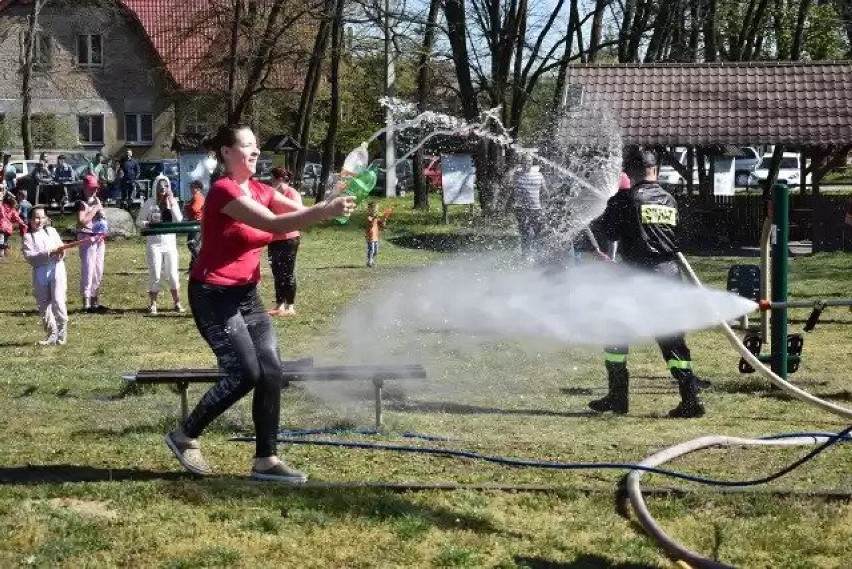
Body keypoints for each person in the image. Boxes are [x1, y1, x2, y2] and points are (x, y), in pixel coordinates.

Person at [163, 124, 354, 483]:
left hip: (247, 293)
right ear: (226, 153)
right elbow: (274, 222)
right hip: (213, 293)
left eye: (256, 145)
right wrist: (324, 210)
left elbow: (296, 213)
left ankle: (266, 460)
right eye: (246, 145)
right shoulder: (223, 191)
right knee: (244, 373)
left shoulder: (261, 189)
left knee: (271, 371)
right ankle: (184, 436)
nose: (254, 151)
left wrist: (336, 194)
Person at [589, 149, 705, 419]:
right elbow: (677, 238)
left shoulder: (625, 199)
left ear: (629, 172)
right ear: (656, 170)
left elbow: (609, 232)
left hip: (636, 278)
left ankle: (618, 397)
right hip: (668, 276)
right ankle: (690, 399)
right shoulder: (669, 200)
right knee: (672, 339)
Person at [137, 176, 185, 314]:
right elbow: (139, 221)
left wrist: (171, 203)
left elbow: (179, 220)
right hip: (154, 243)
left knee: (172, 274)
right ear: (156, 188)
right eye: (160, 186)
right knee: (156, 274)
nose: (163, 189)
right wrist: (148, 224)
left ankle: (177, 303)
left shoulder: (172, 201)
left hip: (170, 243)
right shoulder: (150, 203)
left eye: (165, 186)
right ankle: (153, 304)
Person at [22, 207, 68, 345]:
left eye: (42, 217)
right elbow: (31, 257)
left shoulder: (52, 231)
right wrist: (49, 253)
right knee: (44, 303)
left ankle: (62, 332)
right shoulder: (28, 237)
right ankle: (51, 333)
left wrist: (61, 253)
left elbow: (61, 248)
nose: (39, 221)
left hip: (56, 269)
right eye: (36, 218)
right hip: (41, 272)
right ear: (30, 220)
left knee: (58, 300)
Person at [267, 167, 302, 315]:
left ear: (280, 179)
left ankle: (290, 305)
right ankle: (279, 304)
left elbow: (299, 214)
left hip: (289, 238)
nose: (271, 181)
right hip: (274, 238)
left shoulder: (292, 194)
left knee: (288, 272)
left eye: (273, 179)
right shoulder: (272, 194)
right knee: (276, 271)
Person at [76, 174, 108, 313]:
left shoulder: (96, 200)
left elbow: (103, 216)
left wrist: (101, 212)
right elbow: (81, 221)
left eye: (96, 188)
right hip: (87, 238)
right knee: (88, 269)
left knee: (98, 270)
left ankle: (95, 300)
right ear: (84, 188)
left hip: (99, 238)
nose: (94, 191)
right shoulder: (81, 203)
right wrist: (94, 210)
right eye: (91, 189)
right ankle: (86, 302)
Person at [513, 153, 546, 258]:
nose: (527, 163)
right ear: (521, 162)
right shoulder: (517, 174)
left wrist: (546, 204)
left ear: (532, 162)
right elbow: (510, 188)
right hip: (522, 209)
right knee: (525, 233)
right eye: (525, 161)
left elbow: (544, 191)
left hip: (536, 209)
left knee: (539, 233)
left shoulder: (539, 175)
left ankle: (538, 255)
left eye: (529, 161)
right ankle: (525, 256)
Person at [184, 180, 205, 272]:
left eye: (192, 187)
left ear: (198, 188)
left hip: (196, 223)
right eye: (191, 187)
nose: (191, 189)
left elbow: (195, 209)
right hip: (192, 222)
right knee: (193, 244)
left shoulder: (198, 197)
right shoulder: (194, 197)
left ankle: (201, 264)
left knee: (192, 244)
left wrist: (186, 206)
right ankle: (192, 267)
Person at [0, 192, 27, 258]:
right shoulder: (12, 209)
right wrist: (23, 224)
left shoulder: (1, 207)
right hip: (7, 229)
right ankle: (4, 254)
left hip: (1, 227)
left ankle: (2, 254)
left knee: (1, 242)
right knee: (3, 241)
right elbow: (17, 218)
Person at [364, 201, 388, 268]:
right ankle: (369, 261)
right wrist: (375, 218)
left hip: (375, 236)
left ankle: (371, 260)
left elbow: (381, 225)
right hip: (370, 235)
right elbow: (370, 223)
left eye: (376, 209)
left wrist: (384, 221)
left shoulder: (376, 217)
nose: (375, 210)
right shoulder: (368, 216)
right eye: (373, 209)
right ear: (369, 209)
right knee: (371, 249)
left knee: (376, 251)